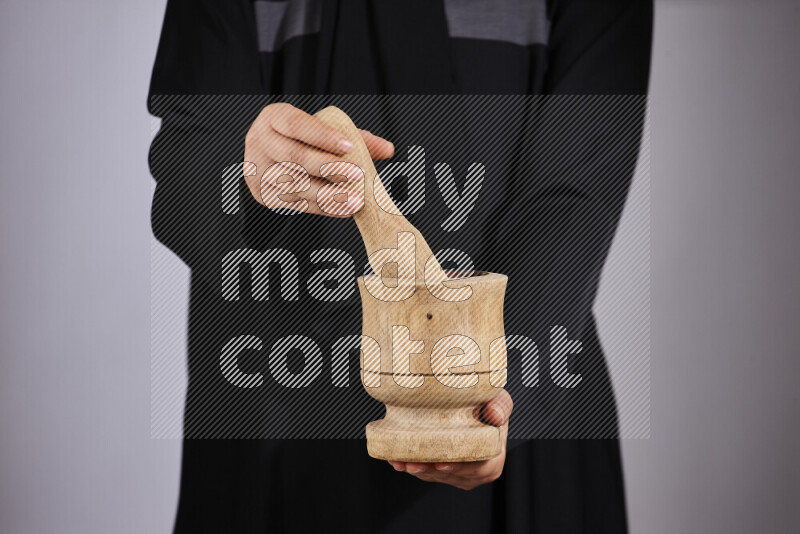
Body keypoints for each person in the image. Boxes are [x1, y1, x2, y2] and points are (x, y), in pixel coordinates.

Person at [148, 0, 652, 532]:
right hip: (273, 400)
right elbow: (186, 161)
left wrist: (497, 401)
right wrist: (247, 177)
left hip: (527, 396)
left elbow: (578, 193)